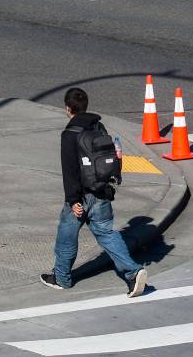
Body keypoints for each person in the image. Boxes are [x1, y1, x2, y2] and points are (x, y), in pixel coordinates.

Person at [41, 87, 147, 297]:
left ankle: (61, 277)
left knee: (67, 235)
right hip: (101, 190)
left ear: (68, 108)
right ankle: (134, 272)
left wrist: (73, 200)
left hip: (80, 194)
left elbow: (69, 169)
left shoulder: (69, 134)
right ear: (86, 106)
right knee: (107, 233)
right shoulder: (98, 127)